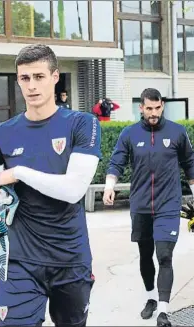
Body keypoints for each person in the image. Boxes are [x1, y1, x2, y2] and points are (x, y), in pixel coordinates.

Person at [0, 44, 101, 327]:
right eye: (24, 78)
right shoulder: (2, 133)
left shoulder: (82, 124)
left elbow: (73, 190)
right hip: (18, 261)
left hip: (70, 259)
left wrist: (20, 171)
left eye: (39, 76)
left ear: (55, 77)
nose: (31, 86)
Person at [103, 88, 194, 327]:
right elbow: (116, 161)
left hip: (168, 204)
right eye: (149, 109)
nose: (153, 113)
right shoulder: (130, 134)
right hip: (141, 206)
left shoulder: (177, 132)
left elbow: (190, 165)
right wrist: (109, 185)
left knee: (164, 255)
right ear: (141, 108)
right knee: (145, 256)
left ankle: (163, 310)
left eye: (157, 108)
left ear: (162, 106)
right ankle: (150, 298)